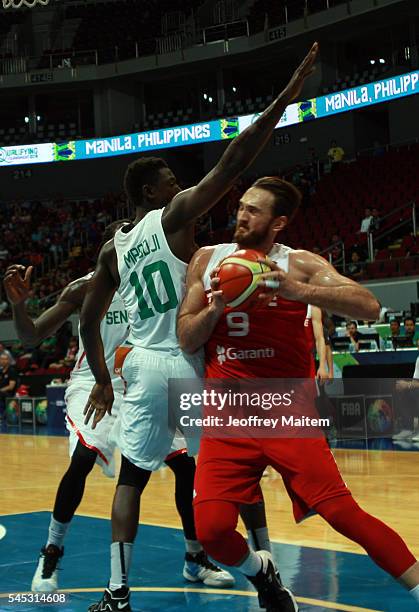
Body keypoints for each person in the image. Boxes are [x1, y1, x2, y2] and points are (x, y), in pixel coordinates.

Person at [80, 43, 320, 612]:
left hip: (139, 365)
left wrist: (102, 378)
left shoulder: (112, 248)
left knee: (131, 483)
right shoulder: (175, 215)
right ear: (150, 193)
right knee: (237, 476)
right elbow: (233, 163)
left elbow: (89, 320)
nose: (175, 181)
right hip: (193, 363)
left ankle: (116, 593)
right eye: (167, 177)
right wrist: (285, 98)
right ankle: (270, 575)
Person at [177, 175, 419, 609]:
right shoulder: (207, 260)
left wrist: (295, 290)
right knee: (211, 531)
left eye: (254, 210)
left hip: (288, 412)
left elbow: (367, 305)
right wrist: (215, 308)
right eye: (242, 206)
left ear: (279, 222)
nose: (242, 214)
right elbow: (185, 337)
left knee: (343, 513)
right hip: (227, 416)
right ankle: (262, 573)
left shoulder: (300, 263)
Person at [4, 222, 230, 594]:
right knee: (81, 461)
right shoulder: (84, 288)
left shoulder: (155, 281)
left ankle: (195, 556)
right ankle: (51, 552)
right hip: (94, 384)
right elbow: (31, 335)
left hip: (143, 382)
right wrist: (19, 306)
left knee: (185, 464)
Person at [0, 353, 18, 419]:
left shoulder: (11, 371)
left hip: (9, 394)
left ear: (8, 361)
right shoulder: (1, 371)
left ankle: (1, 414)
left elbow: (11, 387)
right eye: (2, 359)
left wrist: (0, 390)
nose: (3, 361)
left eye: (5, 359)